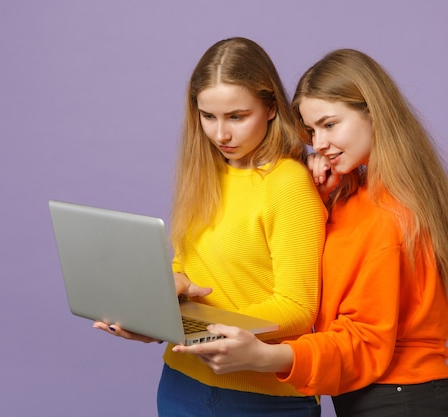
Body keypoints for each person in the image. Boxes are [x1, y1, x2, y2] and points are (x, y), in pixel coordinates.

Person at [173, 48, 448, 417]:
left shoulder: (389, 215)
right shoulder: (364, 194)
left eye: (329, 124)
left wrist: (269, 356)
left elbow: (365, 340)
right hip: (380, 396)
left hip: (401, 400)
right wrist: (327, 198)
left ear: (374, 112)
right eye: (310, 129)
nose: (318, 142)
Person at [94, 37, 327, 416]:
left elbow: (299, 307)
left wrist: (194, 327)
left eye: (236, 116)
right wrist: (168, 298)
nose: (221, 134)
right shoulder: (202, 174)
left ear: (270, 108)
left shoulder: (288, 183)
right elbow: (188, 265)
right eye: (208, 117)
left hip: (263, 398)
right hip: (181, 382)